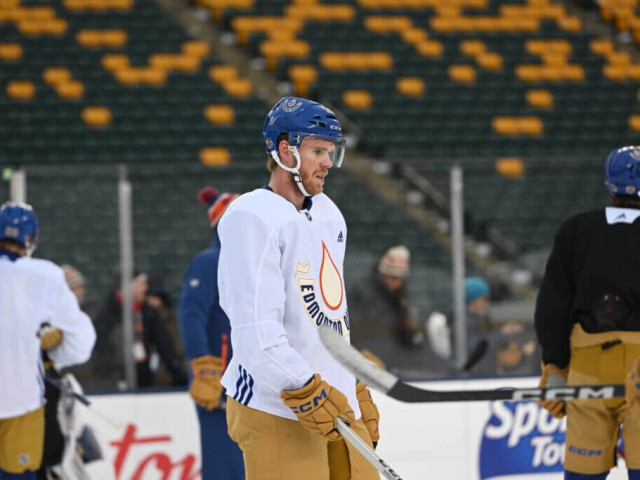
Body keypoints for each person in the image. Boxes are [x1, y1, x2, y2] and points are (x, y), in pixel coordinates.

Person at [217, 97, 380, 479]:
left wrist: (351, 381)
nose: (328, 162)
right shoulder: (251, 215)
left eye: (331, 152)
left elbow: (330, 316)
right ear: (285, 150)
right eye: (318, 151)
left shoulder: (328, 213)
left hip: (333, 402)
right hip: (276, 405)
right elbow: (255, 332)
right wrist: (303, 388)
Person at [534, 145, 640, 479]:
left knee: (583, 475)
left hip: (587, 369)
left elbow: (552, 303)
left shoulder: (576, 229)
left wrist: (554, 364)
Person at [0, 202, 96, 480]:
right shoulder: (45, 275)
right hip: (22, 403)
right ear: (31, 239)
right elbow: (81, 341)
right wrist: (51, 355)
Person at [178, 185, 244, 480]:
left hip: (248, 378)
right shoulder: (208, 262)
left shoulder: (250, 264)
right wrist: (201, 363)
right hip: (218, 378)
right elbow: (191, 314)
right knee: (223, 460)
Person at [93, 271, 187, 389]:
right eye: (141, 284)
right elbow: (101, 351)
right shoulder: (107, 315)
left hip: (143, 381)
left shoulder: (149, 313)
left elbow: (166, 348)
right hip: (113, 383)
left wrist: (180, 378)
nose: (146, 288)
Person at [349, 245, 434, 372]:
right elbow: (358, 330)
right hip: (372, 355)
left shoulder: (399, 295)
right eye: (393, 278)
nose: (397, 283)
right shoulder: (362, 293)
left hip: (393, 355)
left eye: (401, 279)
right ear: (383, 273)